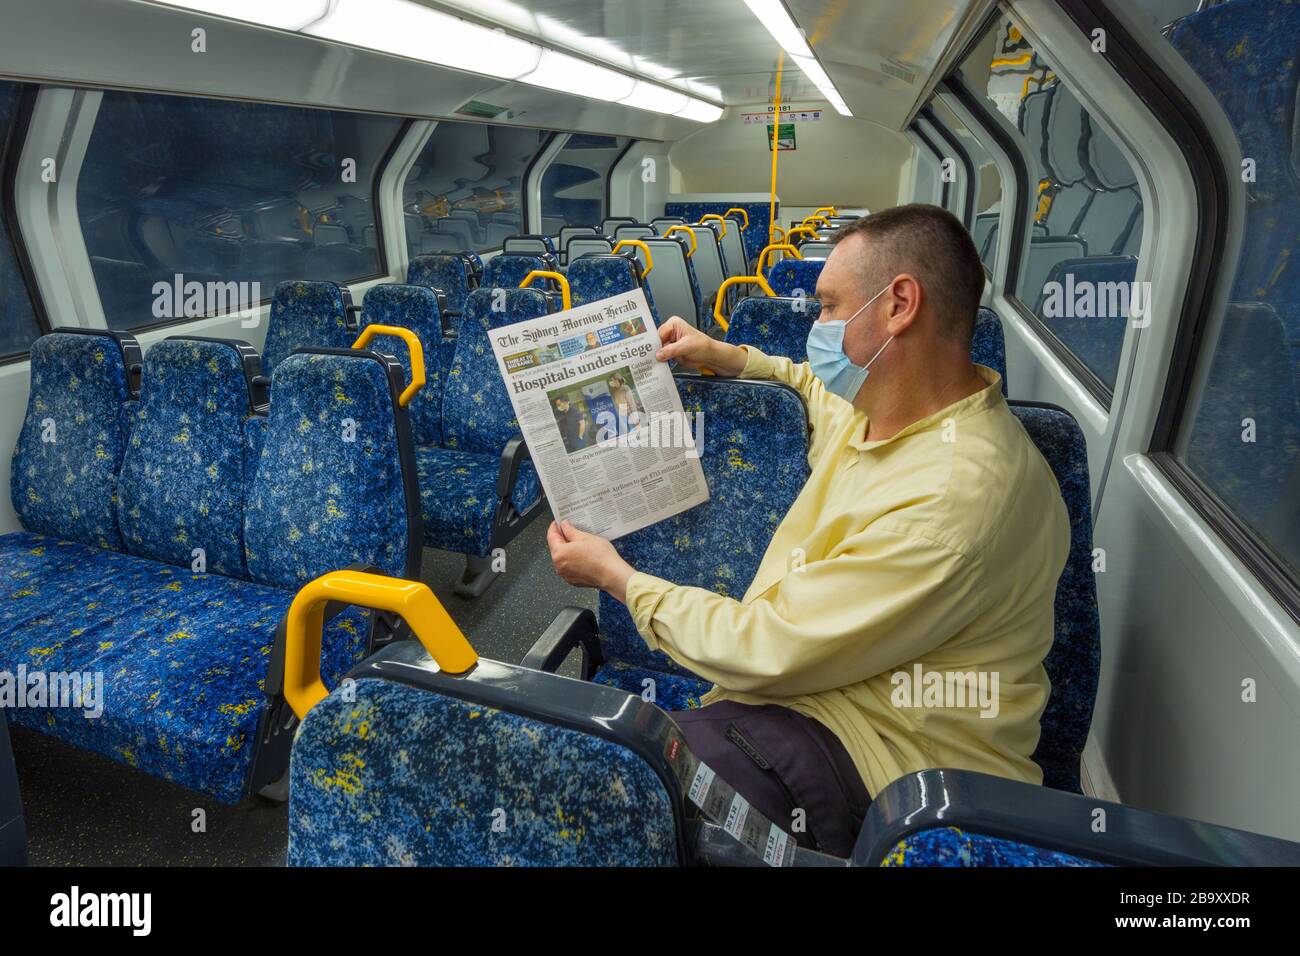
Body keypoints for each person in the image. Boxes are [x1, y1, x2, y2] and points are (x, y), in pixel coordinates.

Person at [546, 204, 1069, 857]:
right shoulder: (887, 407)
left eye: (827, 308)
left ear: (899, 304)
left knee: (619, 792)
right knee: (615, 775)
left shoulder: (954, 494)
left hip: (887, 769)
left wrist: (617, 578)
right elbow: (808, 384)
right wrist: (728, 357)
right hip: (812, 704)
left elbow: (765, 649)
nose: (816, 329)